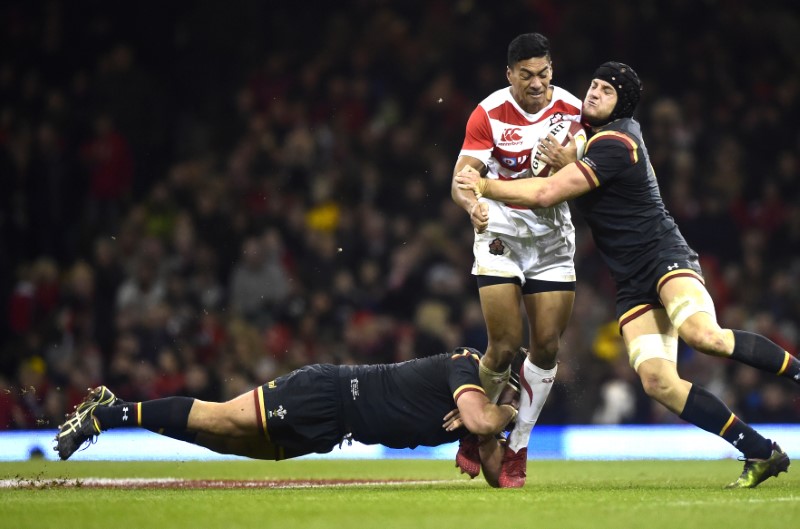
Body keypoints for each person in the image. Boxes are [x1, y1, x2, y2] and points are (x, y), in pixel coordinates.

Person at [455, 61, 797, 489]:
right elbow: (566, 160)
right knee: (658, 383)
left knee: (703, 336)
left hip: (664, 258)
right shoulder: (590, 138)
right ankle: (761, 452)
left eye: (606, 91)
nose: (593, 93)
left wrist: (483, 185)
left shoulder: (618, 142)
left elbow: (544, 194)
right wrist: (563, 157)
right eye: (593, 85)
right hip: (632, 280)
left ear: (623, 104)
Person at [54, 347, 518, 487]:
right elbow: (480, 423)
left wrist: (502, 421)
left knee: (219, 439)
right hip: (326, 393)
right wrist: (508, 413)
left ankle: (111, 409)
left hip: (334, 429)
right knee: (216, 419)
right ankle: (107, 413)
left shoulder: (479, 401)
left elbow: (498, 477)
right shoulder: (466, 363)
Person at [450, 32, 584, 488]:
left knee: (546, 345)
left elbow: (587, 171)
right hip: (501, 235)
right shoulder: (487, 113)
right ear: (509, 74)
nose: (536, 83)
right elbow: (462, 178)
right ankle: (477, 427)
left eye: (543, 73)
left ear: (552, 70)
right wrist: (472, 206)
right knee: (504, 345)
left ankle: (519, 444)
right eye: (525, 75)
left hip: (550, 239)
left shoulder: (572, 110)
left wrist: (570, 157)